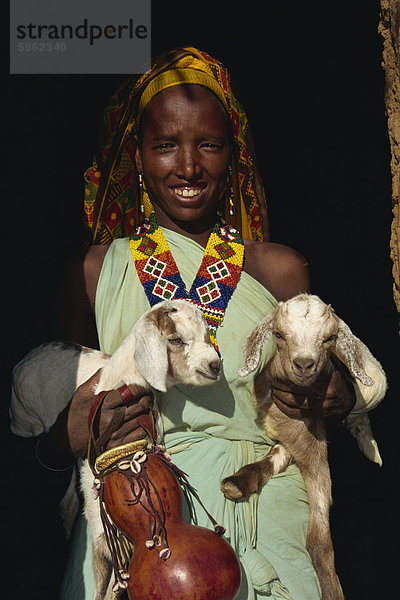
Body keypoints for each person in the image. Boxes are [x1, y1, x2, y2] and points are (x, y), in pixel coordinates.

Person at [10, 47, 383, 600]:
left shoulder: (279, 267)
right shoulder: (93, 272)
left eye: (209, 144)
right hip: (144, 514)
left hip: (268, 499)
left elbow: (323, 370)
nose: (188, 166)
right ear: (137, 155)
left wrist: (338, 392)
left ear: (234, 154)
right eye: (165, 146)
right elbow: (53, 413)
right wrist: (67, 433)